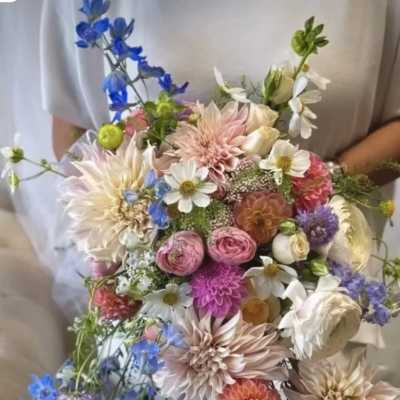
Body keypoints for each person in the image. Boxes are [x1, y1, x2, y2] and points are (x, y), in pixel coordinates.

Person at [2, 0, 400, 383]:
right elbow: (73, 128)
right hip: (158, 323)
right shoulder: (93, 12)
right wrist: (142, 215)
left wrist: (308, 190)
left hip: (319, 309)